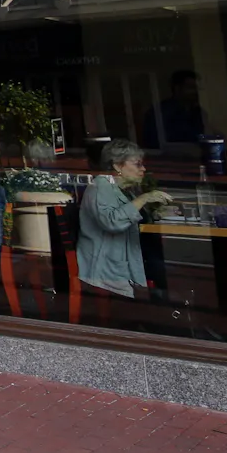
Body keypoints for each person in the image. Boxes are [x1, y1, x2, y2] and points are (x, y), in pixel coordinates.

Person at [77, 140, 173, 300]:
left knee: (158, 258)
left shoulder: (123, 190)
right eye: (137, 164)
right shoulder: (100, 186)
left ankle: (161, 300)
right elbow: (112, 222)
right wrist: (144, 198)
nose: (143, 169)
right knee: (157, 262)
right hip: (108, 268)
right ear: (117, 166)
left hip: (126, 259)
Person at [140, 70, 208, 150]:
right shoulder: (160, 112)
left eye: (197, 88)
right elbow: (153, 144)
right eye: (191, 87)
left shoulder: (199, 112)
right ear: (177, 88)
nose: (195, 92)